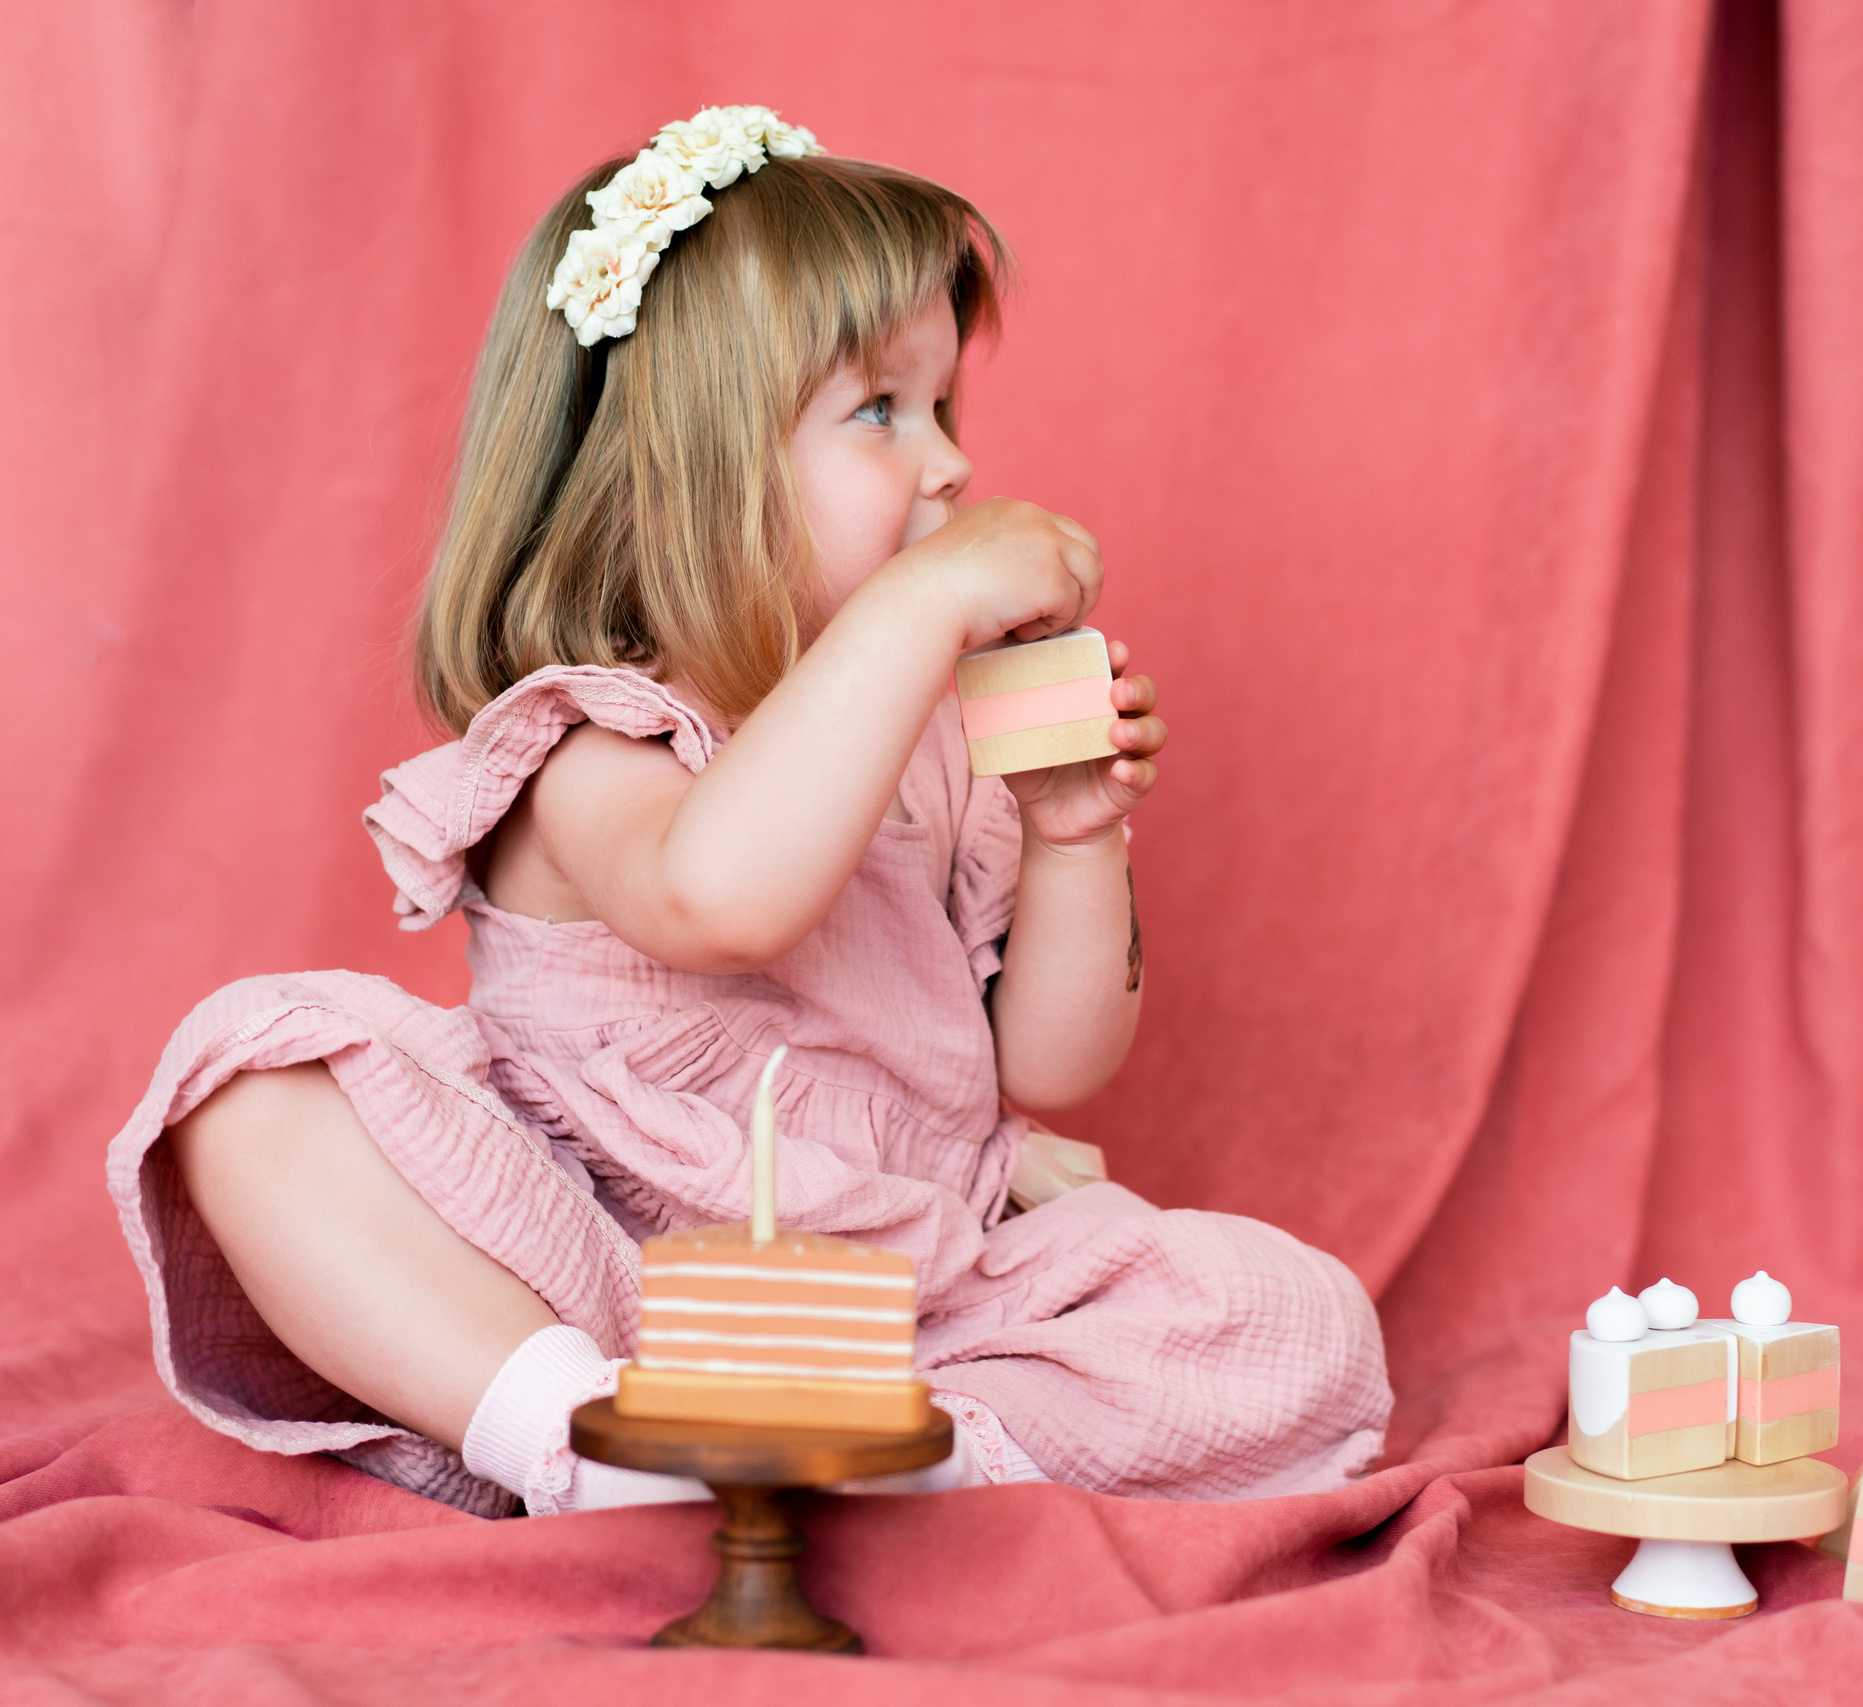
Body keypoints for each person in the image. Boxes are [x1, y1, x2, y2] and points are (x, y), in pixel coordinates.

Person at [107, 107, 1390, 1517]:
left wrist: (1075, 829)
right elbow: (721, 903)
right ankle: (572, 1438)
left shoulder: (939, 747)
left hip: (912, 1291)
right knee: (248, 1080)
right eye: (882, 413)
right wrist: (928, 596)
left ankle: (912, 1458)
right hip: (607, 1282)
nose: (952, 467)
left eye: (950, 406)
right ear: (696, 473)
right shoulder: (596, 736)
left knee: (1297, 1318)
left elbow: (1056, 1061)